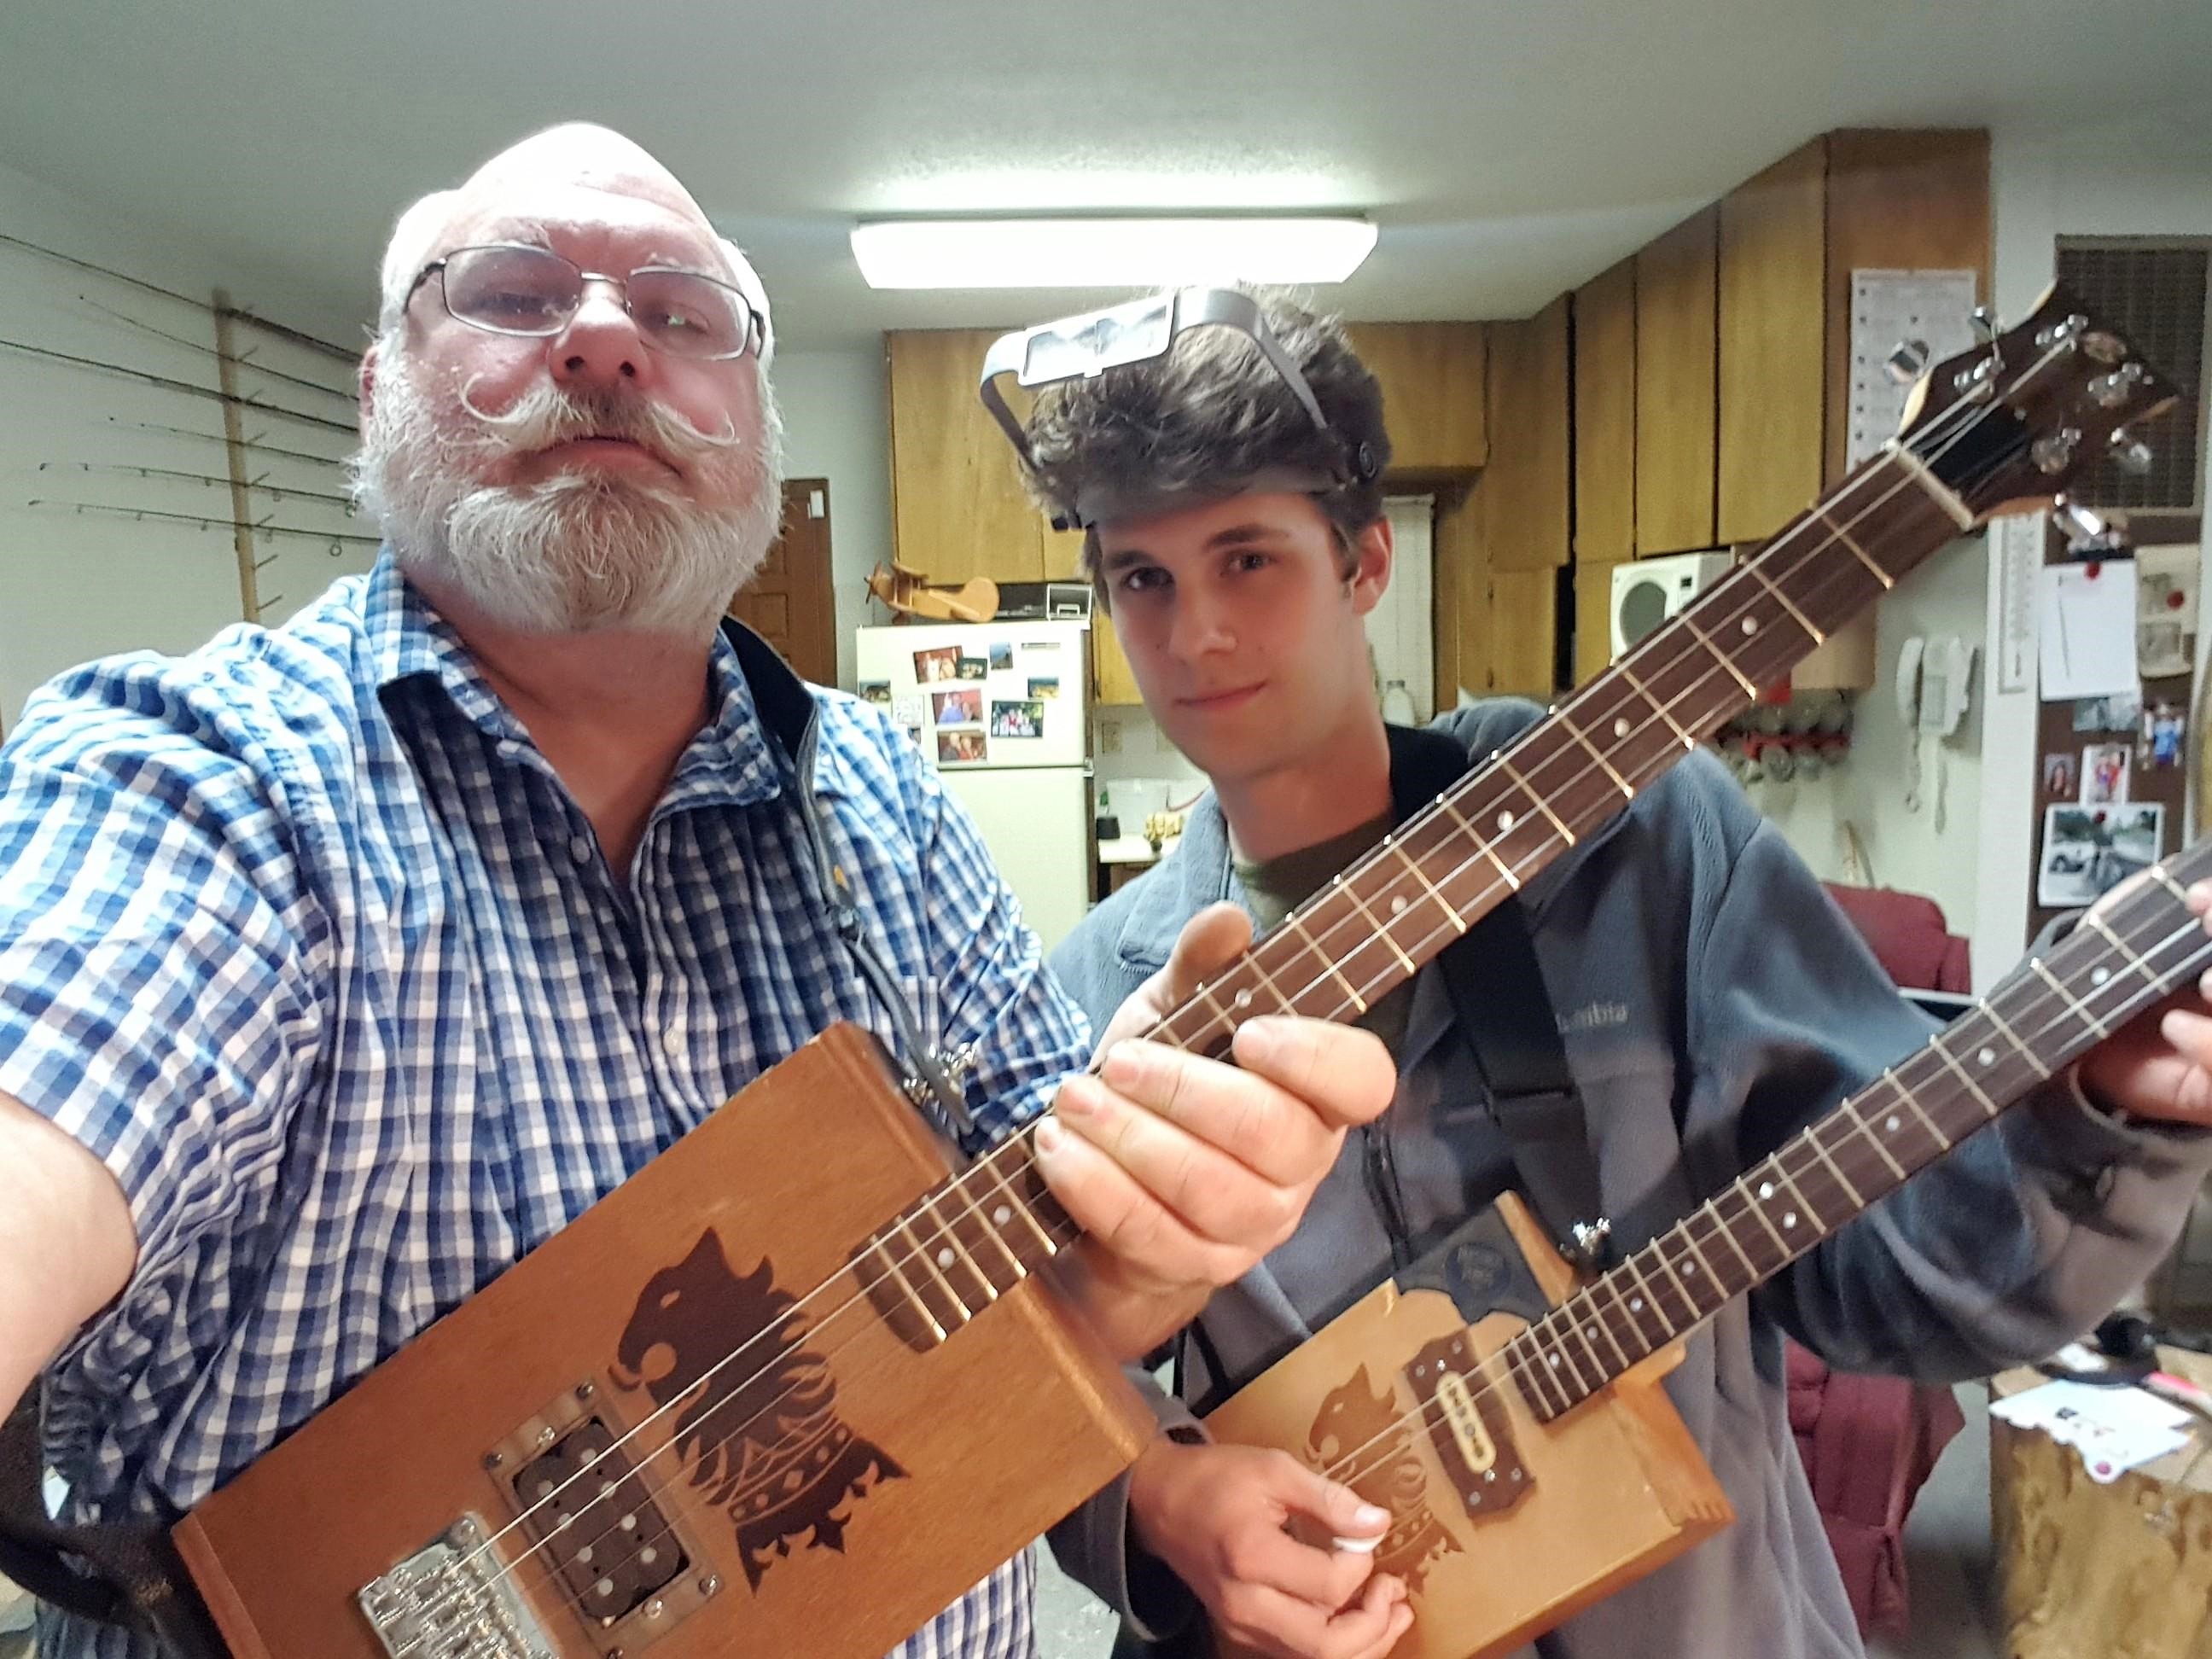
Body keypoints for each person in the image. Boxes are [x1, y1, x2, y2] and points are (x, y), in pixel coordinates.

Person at [0, 136, 1399, 1658]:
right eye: (512, 293)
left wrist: (1140, 1248)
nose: (601, 339)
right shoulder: (197, 780)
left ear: (756, 434)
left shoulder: (887, 801)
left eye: (682, 317)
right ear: (379, 392)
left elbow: (1039, 1309)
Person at [1005, 288, 2212, 1659]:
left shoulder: (1642, 846)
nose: (1195, 636)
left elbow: (1912, 1278)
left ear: (1365, 564)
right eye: (1141, 579)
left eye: (1248, 560)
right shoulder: (1100, 989)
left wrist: (2090, 1123)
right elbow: (1035, 1398)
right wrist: (1155, 1510)